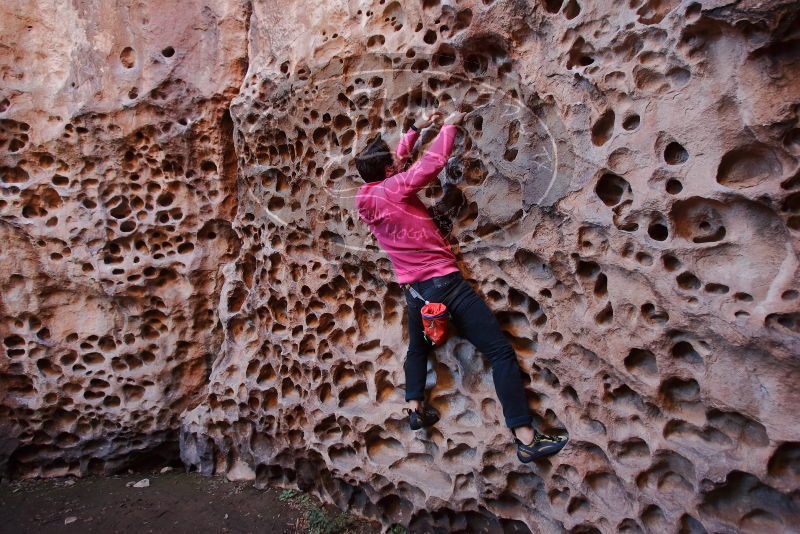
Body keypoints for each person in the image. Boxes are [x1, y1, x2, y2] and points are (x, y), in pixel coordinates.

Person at [354, 109, 568, 462]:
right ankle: (526, 437)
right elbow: (431, 164)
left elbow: (396, 166)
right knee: (500, 353)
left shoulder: (366, 197)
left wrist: (415, 130)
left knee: (417, 349)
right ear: (389, 172)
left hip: (415, 294)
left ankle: (414, 407)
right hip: (446, 287)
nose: (398, 157)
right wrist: (450, 125)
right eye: (393, 160)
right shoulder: (396, 187)